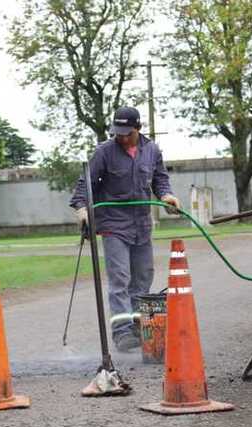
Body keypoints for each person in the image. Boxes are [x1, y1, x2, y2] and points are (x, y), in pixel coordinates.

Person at [70, 106, 181, 352]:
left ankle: (136, 327)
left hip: (141, 223)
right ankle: (121, 333)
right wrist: (82, 208)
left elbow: (160, 179)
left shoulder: (151, 150)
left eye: (126, 133)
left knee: (143, 277)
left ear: (138, 129)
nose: (120, 137)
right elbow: (85, 183)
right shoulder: (104, 152)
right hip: (113, 224)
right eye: (117, 132)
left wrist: (167, 195)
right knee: (120, 278)